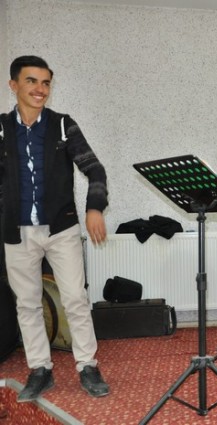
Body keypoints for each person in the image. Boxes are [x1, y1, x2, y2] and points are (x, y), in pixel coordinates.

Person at [0, 56, 110, 402]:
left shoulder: (63, 125)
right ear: (13, 85)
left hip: (61, 229)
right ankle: (40, 370)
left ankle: (87, 366)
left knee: (76, 298)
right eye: (31, 81)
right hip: (17, 232)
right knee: (27, 304)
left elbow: (95, 169)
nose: (40, 89)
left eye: (46, 83)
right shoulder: (2, 129)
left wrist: (94, 207)